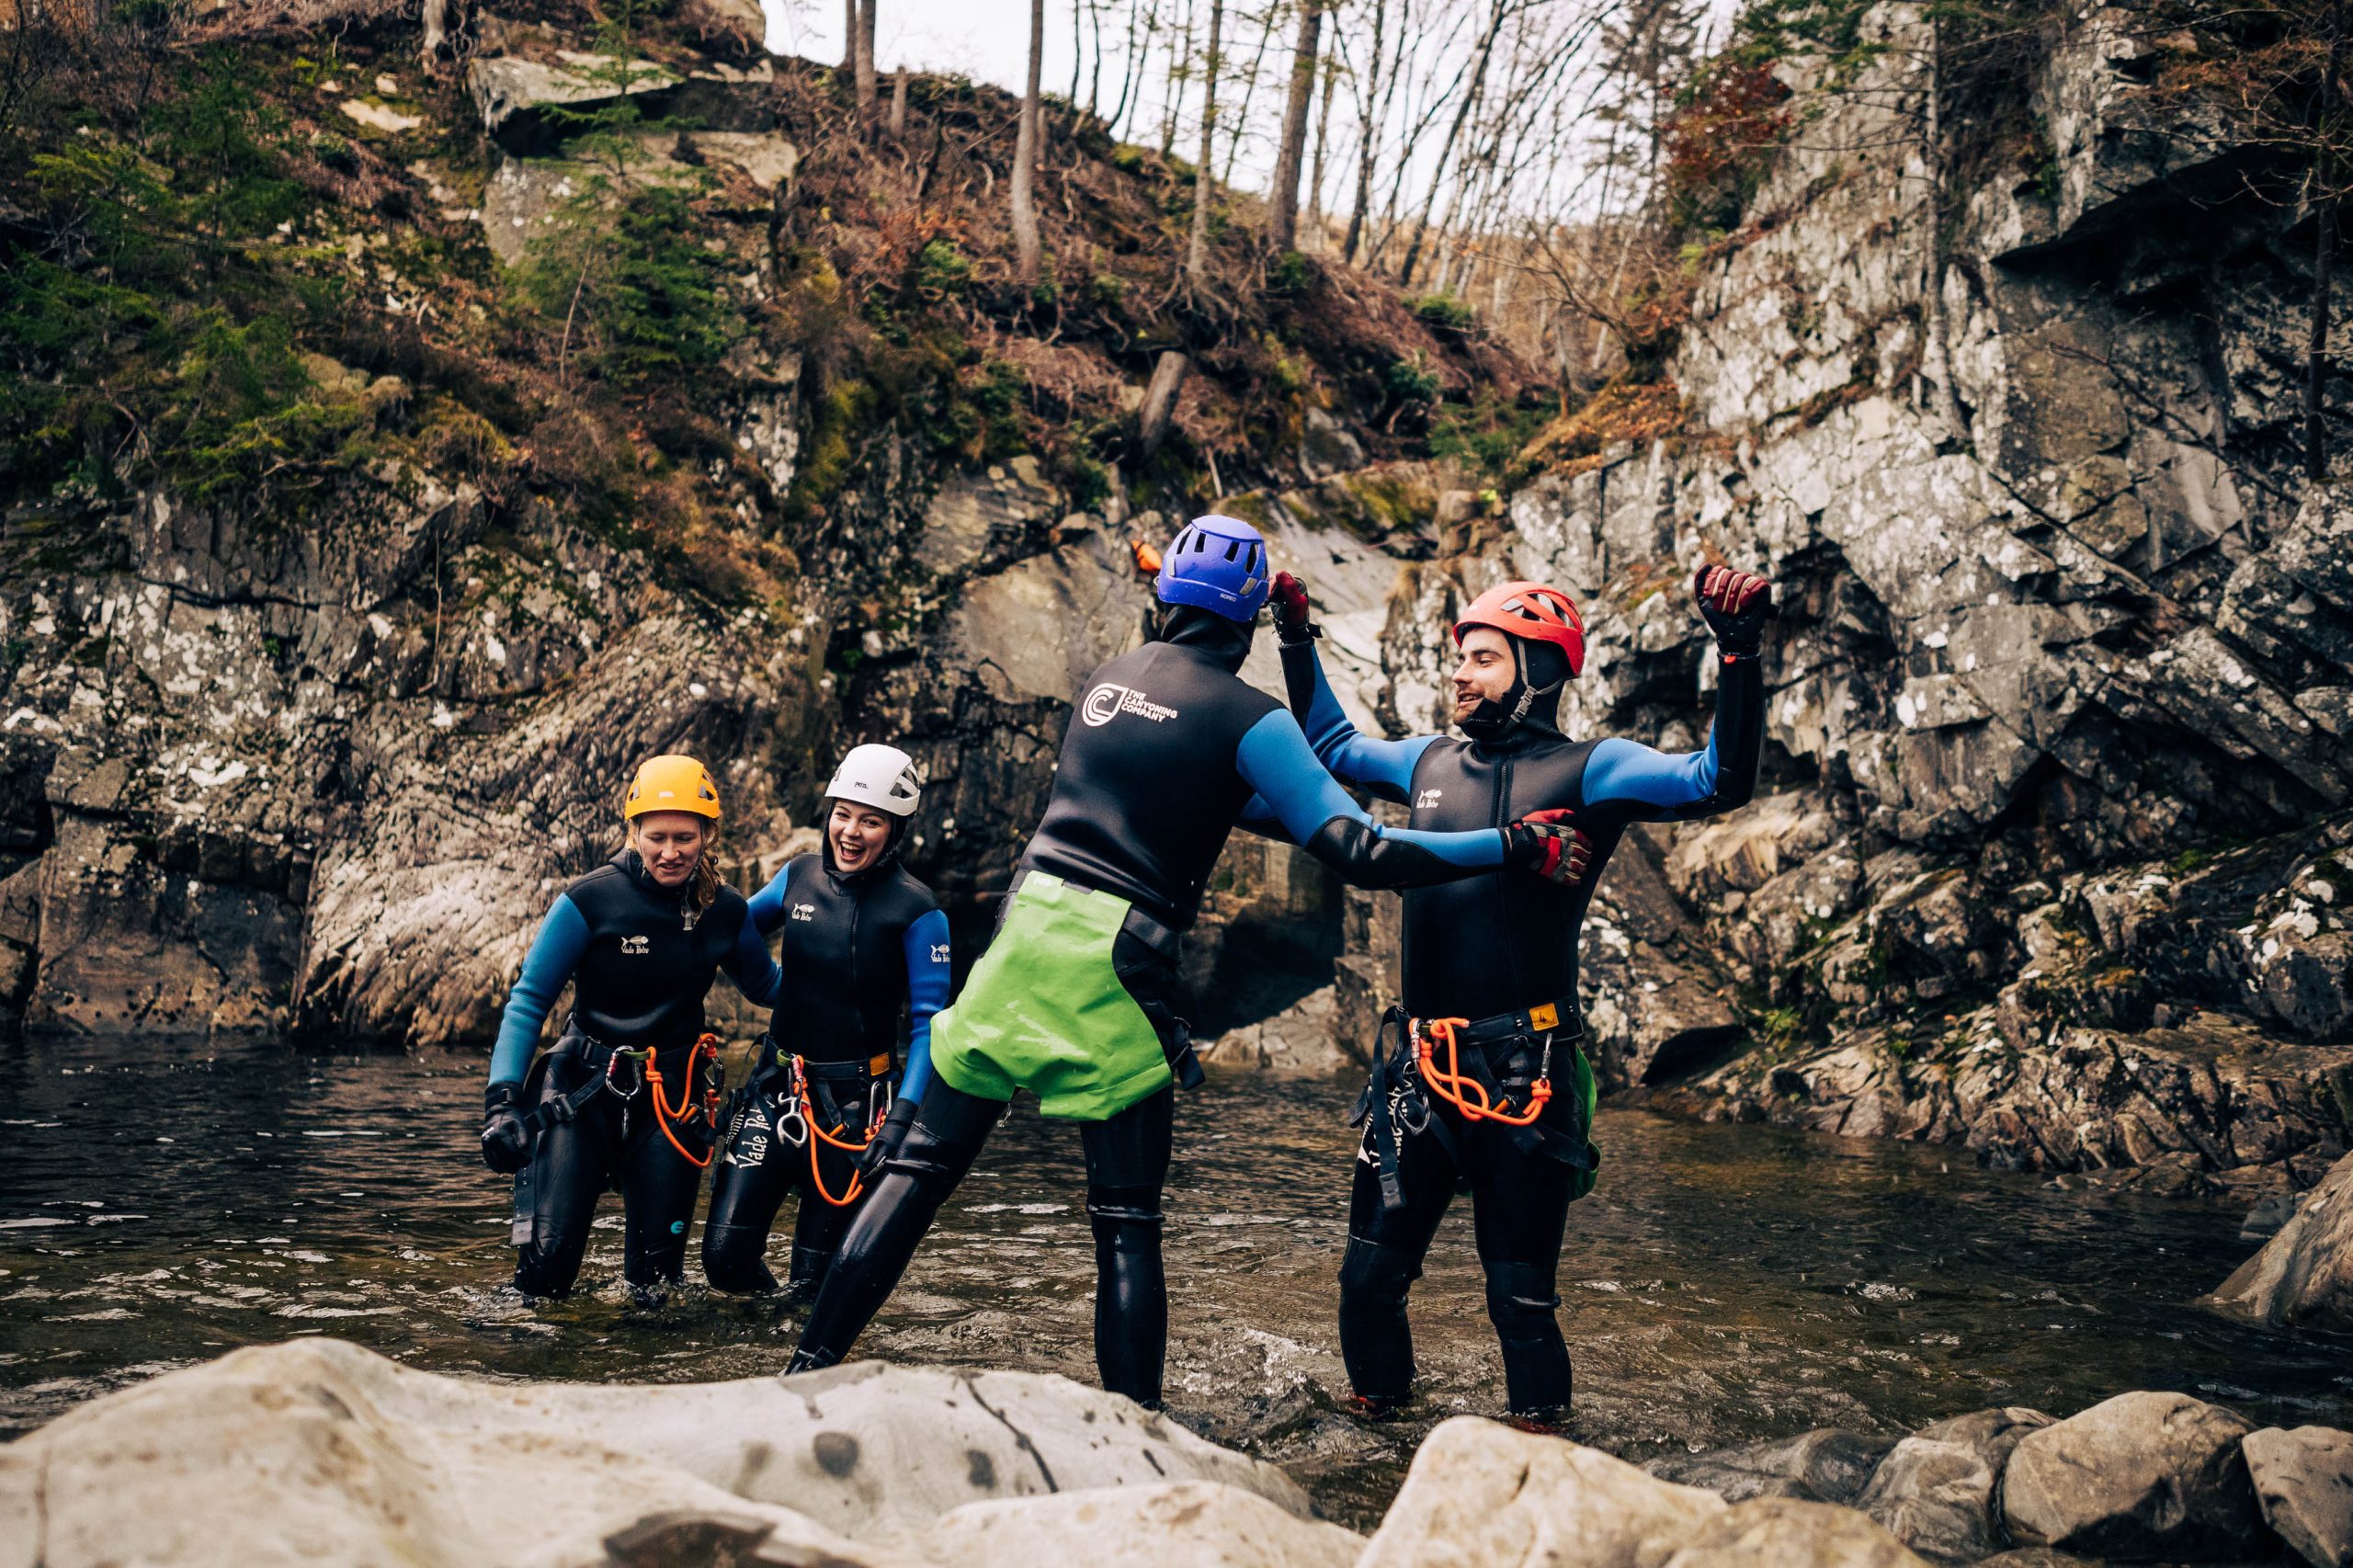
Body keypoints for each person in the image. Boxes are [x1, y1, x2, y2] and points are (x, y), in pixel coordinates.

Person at [783, 515, 1590, 1406]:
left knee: (918, 1172)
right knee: (1125, 1220)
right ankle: (1137, 1423)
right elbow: (1359, 851)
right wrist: (1510, 846)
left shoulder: (1107, 680)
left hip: (1021, 932)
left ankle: (806, 1370)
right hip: (1114, 964)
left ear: (1165, 600)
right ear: (1245, 624)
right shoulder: (1251, 717)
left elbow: (1184, 787)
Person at [1271, 563, 1775, 1429]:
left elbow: (1715, 780)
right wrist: (1294, 639)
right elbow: (1331, 748)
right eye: (1459, 658)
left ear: (1540, 670)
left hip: (1525, 1071)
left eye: (1483, 658)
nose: (1460, 674)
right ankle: (1379, 1440)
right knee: (1368, 1284)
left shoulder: (1593, 770)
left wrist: (1736, 655)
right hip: (1419, 1069)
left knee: (1521, 1307)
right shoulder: (1427, 761)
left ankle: (1543, 1465)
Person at [479, 755, 782, 1299]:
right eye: (657, 836)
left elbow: (768, 989)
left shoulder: (725, 910)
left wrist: (849, 992)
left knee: (656, 1289)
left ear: (708, 834)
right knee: (546, 1275)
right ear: (634, 830)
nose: (671, 852)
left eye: (685, 838)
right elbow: (527, 1003)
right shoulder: (589, 901)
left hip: (673, 1102)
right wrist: (502, 1103)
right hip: (582, 1093)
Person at [703, 744, 951, 1301]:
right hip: (777, 1090)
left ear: (897, 829)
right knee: (724, 1259)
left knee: (815, 1286)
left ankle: (798, 1365)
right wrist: (761, 982)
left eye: (871, 821)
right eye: (842, 814)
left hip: (858, 1108)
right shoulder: (799, 878)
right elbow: (733, 927)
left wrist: (902, 1120)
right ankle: (757, 1351)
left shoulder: (918, 910)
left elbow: (930, 1025)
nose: (851, 832)